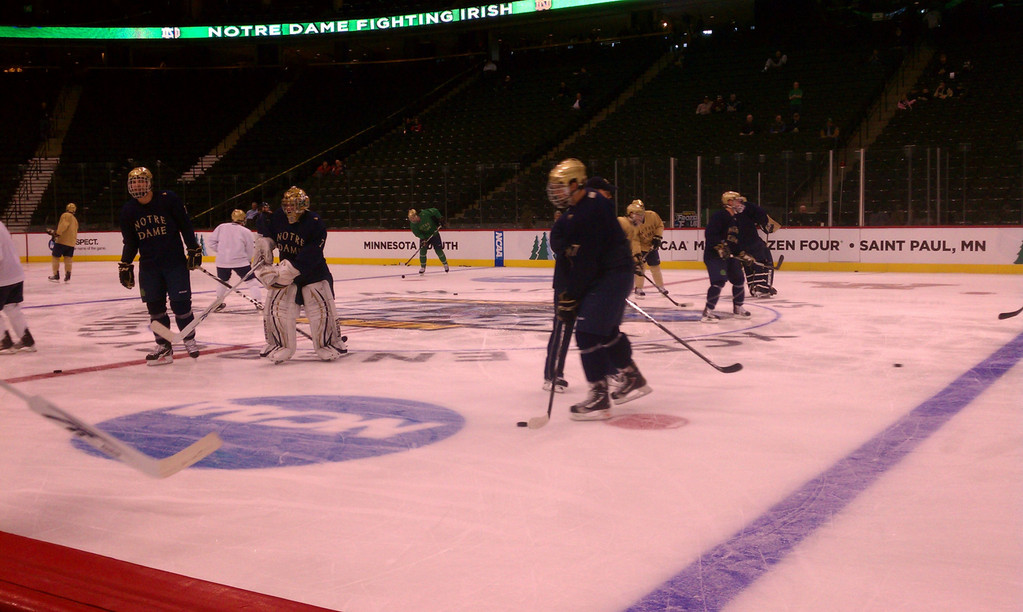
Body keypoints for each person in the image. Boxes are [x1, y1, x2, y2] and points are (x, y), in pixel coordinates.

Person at [546, 158, 651, 420]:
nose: (555, 192)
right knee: (606, 331)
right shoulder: (579, 208)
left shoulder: (591, 209)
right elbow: (571, 249)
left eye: (560, 186)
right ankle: (632, 377)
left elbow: (587, 260)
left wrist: (571, 295)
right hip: (608, 275)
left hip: (611, 276)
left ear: (575, 183)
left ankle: (599, 395)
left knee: (587, 332)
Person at [117, 166, 203, 365]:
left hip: (174, 263)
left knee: (181, 305)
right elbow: (130, 241)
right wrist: (125, 263)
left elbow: (185, 225)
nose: (137, 185)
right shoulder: (128, 210)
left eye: (141, 181)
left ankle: (189, 339)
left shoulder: (168, 199)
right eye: (133, 182)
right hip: (149, 267)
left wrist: (193, 248)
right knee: (155, 309)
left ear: (149, 183)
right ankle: (164, 345)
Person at [253, 186, 347, 364]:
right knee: (278, 309)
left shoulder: (315, 222)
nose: (289, 209)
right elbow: (268, 228)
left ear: (303, 205)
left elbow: (312, 253)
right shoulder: (279, 217)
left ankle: (329, 343)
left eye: (293, 205)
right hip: (287, 273)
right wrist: (265, 242)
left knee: (320, 309)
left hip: (313, 273)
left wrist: (288, 270)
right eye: (286, 204)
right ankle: (278, 344)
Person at [700, 191, 752, 323]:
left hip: (729, 256)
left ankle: (738, 307)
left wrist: (742, 254)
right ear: (729, 202)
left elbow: (734, 241)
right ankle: (708, 311)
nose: (740, 204)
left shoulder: (736, 219)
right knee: (718, 281)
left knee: (739, 279)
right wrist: (720, 247)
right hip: (714, 256)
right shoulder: (719, 216)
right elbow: (710, 234)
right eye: (737, 201)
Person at [208, 209, 263, 312]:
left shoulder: (221, 227)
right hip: (240, 261)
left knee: (222, 282)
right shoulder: (246, 231)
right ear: (244, 219)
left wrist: (222, 251)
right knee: (252, 281)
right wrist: (248, 260)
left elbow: (211, 242)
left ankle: (217, 303)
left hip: (222, 261)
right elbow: (250, 248)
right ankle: (258, 302)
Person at [731, 194, 779, 297]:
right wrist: (747, 204)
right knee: (764, 259)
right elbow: (762, 216)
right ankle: (762, 286)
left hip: (738, 245)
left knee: (749, 263)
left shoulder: (725, 214)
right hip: (750, 241)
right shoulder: (744, 210)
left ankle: (753, 286)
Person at [0, 219, 36, 353]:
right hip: (16, 273)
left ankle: (4, 341)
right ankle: (27, 340)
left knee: (11, 307)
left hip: (3, 277)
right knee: (12, 307)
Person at [623, 199, 665, 297]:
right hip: (641, 247)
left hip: (651, 245)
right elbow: (635, 240)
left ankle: (661, 287)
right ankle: (639, 288)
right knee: (640, 268)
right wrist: (637, 253)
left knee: (655, 267)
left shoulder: (652, 215)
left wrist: (657, 237)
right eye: (637, 213)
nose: (640, 215)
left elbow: (659, 225)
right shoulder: (632, 224)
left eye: (641, 211)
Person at [408, 208, 449, 274]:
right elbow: (417, 233)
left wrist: (440, 218)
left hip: (434, 234)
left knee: (438, 250)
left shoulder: (425, 214)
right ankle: (423, 267)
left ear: (416, 216)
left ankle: (445, 264)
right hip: (424, 237)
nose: (412, 220)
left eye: (413, 218)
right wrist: (423, 239)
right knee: (422, 251)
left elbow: (435, 210)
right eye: (410, 219)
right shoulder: (413, 225)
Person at [48, 202, 79, 283]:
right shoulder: (75, 220)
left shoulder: (65, 215)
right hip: (71, 243)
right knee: (68, 259)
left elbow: (64, 225)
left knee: (55, 257)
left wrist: (57, 233)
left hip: (62, 241)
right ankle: (68, 274)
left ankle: (56, 275)